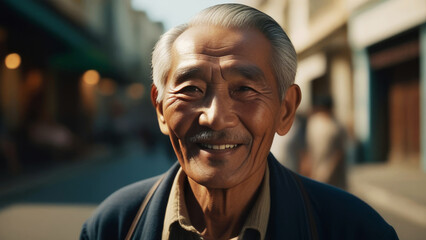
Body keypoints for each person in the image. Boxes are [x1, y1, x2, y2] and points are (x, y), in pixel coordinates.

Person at [80, 4, 398, 240]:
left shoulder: (355, 230)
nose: (216, 117)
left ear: (285, 110)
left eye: (244, 89)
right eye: (191, 89)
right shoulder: (114, 225)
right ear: (161, 109)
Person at [305, 96, 347, 189]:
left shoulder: (336, 126)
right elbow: (309, 147)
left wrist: (328, 172)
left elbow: (339, 153)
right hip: (316, 169)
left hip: (333, 172)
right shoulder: (314, 122)